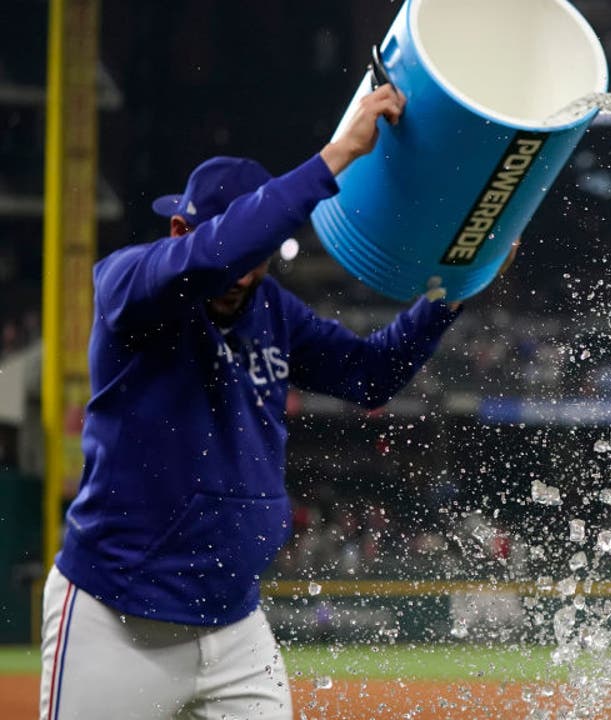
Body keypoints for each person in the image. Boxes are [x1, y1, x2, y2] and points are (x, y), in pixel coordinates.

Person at [39, 84, 466, 719]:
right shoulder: (131, 285)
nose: (244, 273)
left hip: (235, 624)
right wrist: (338, 154)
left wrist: (449, 293)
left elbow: (369, 376)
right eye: (236, 249)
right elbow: (218, 254)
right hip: (117, 617)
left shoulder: (273, 311)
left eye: (259, 258)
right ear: (181, 229)